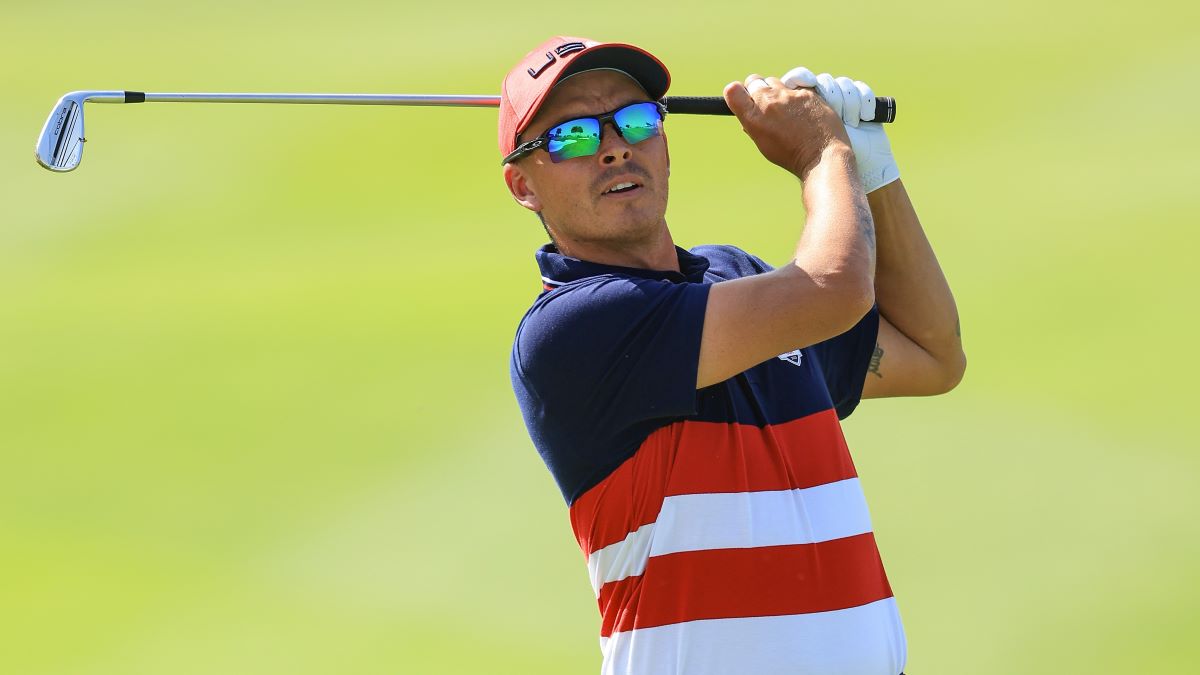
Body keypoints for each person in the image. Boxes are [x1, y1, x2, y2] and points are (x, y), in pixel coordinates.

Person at [501, 35, 964, 675]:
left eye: (637, 120)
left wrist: (872, 166)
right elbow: (833, 289)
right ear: (523, 186)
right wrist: (822, 152)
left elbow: (931, 353)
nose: (614, 146)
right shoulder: (575, 326)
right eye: (572, 137)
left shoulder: (736, 279)